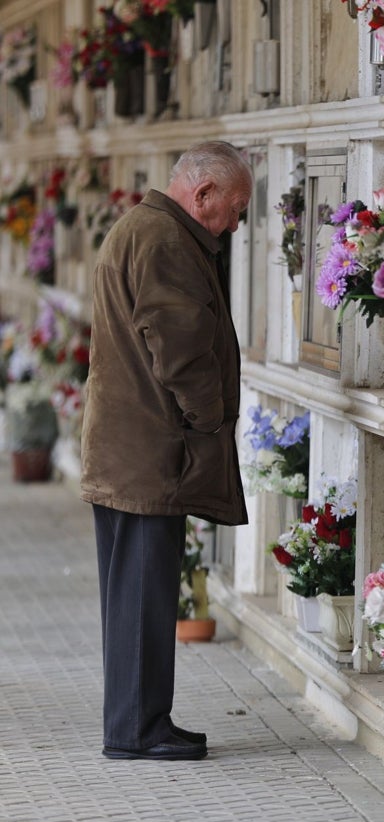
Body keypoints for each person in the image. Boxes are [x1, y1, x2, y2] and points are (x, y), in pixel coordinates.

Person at [79, 140, 252, 761]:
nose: (237, 223)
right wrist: (209, 418)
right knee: (142, 592)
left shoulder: (147, 228)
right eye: (234, 208)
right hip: (149, 450)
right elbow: (177, 347)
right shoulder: (164, 239)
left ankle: (142, 721)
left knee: (137, 592)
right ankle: (136, 731)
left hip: (130, 447)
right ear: (201, 194)